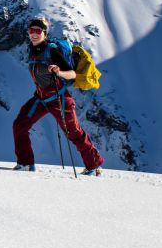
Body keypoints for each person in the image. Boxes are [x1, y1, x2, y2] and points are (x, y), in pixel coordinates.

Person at [12, 16, 104, 175]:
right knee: (19, 125)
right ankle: (26, 163)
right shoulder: (32, 50)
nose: (34, 34)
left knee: (74, 133)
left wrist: (59, 72)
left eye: (38, 31)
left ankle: (94, 165)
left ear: (44, 33)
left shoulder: (52, 50)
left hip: (59, 99)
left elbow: (73, 74)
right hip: (40, 98)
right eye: (31, 30)